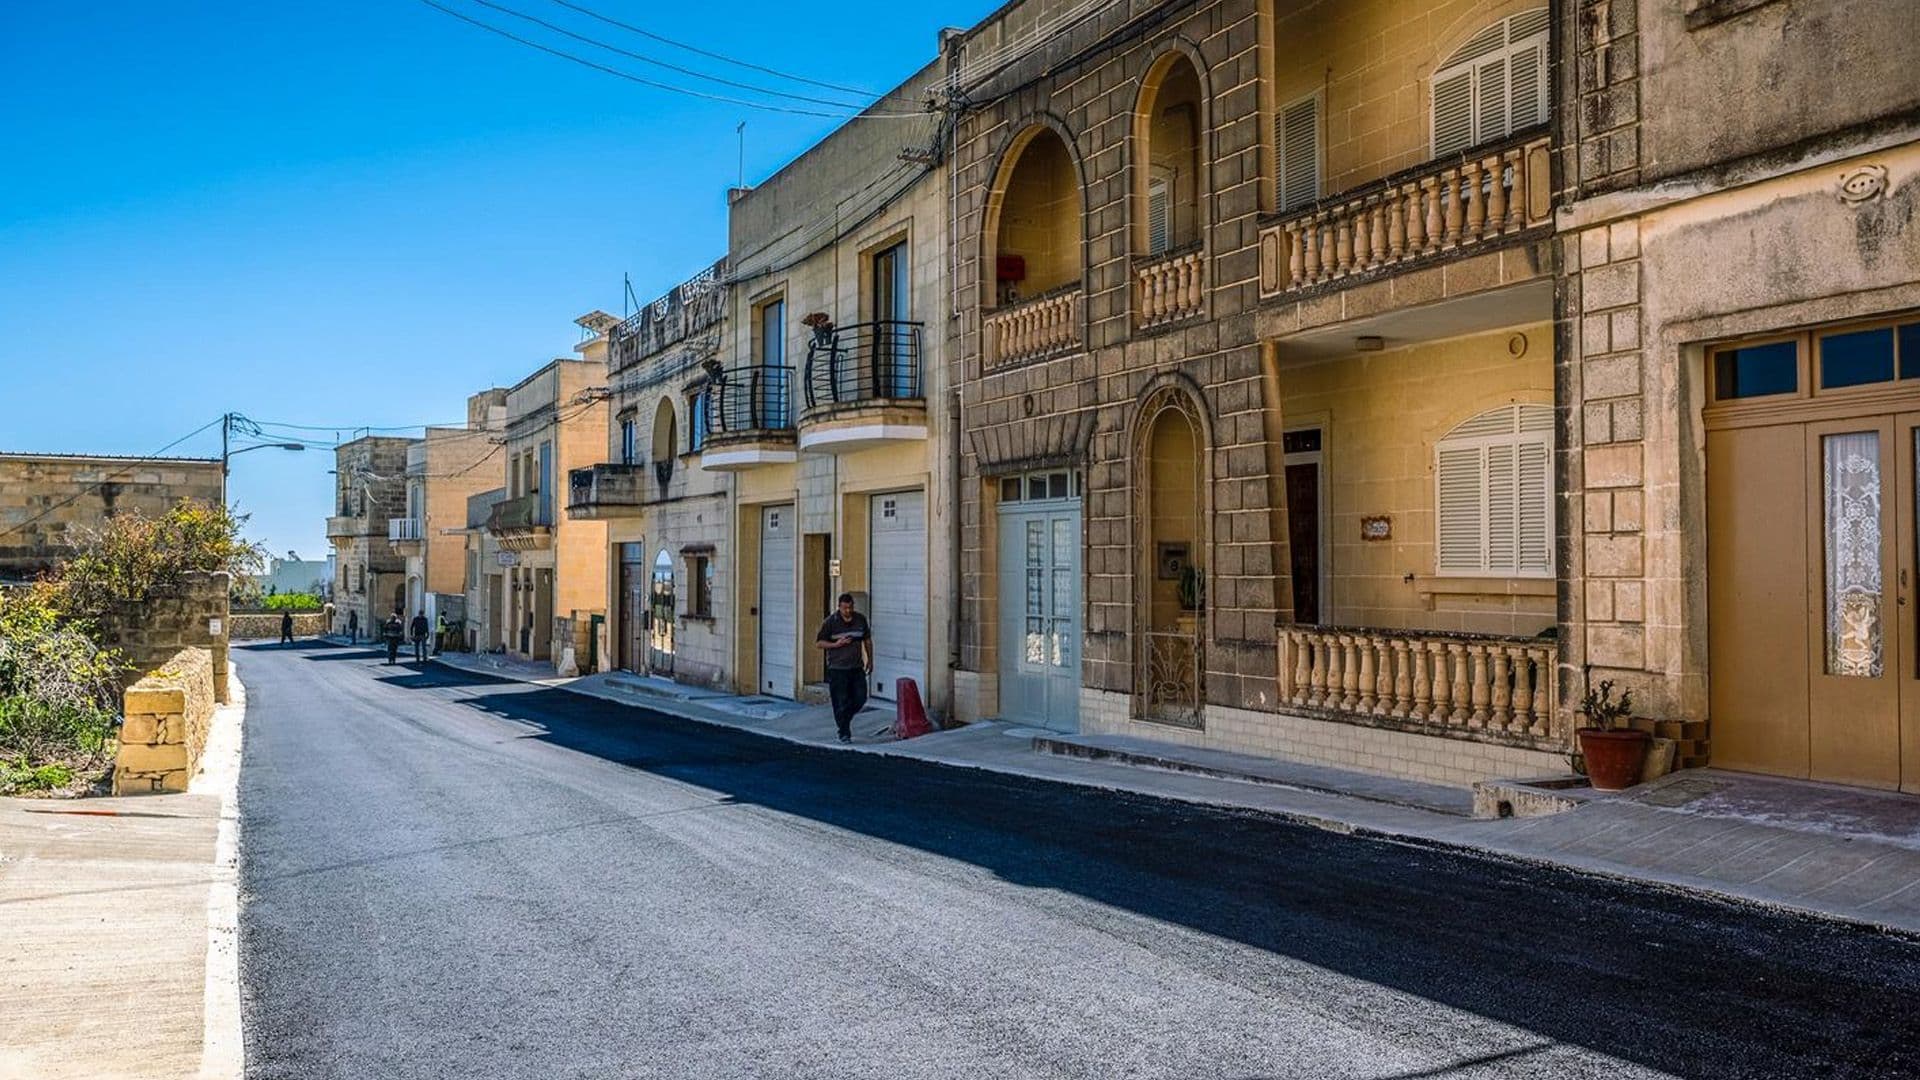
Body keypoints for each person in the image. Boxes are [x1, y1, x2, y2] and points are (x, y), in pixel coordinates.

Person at [813, 593, 872, 744]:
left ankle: (845, 719)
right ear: (839, 607)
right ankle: (844, 731)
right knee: (840, 700)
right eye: (845, 608)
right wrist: (835, 644)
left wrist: (870, 660)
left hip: (856, 666)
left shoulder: (860, 620)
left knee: (860, 697)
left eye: (850, 607)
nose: (848, 611)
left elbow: (867, 640)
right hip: (837, 668)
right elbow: (819, 643)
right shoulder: (831, 622)